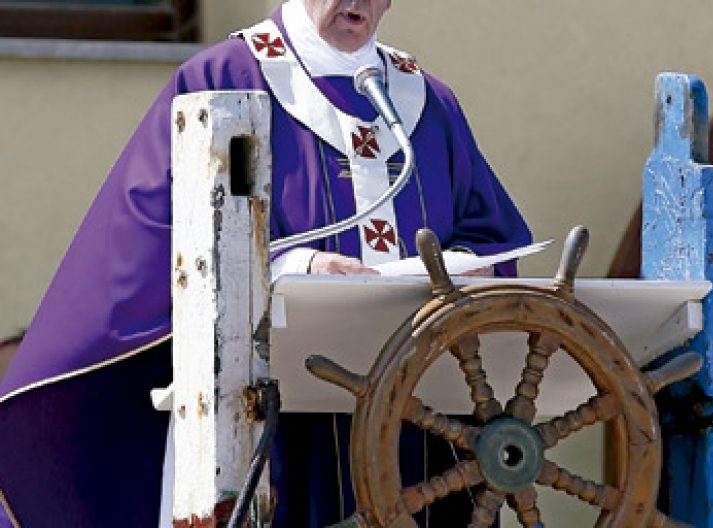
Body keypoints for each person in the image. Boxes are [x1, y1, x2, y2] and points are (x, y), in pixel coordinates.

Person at [0, 1, 531, 526]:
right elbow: (159, 247)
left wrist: (467, 267)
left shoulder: (426, 102)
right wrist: (292, 266)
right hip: (272, 428)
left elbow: (496, 237)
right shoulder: (222, 80)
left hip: (420, 431)